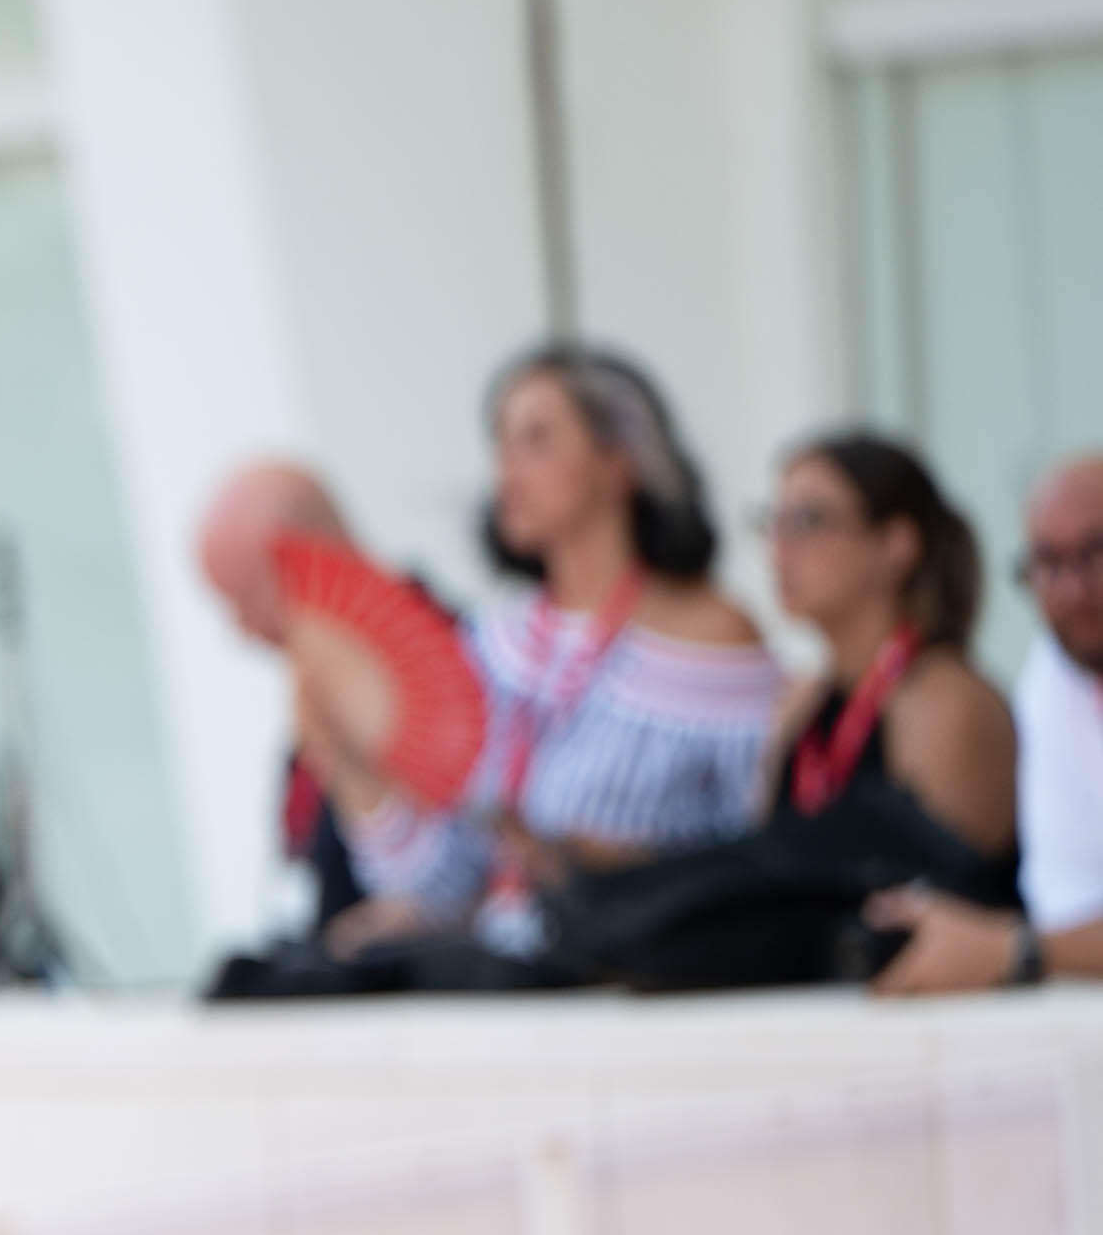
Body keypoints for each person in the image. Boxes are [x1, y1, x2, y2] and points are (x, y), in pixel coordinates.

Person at [318, 343, 782, 968]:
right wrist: (348, 756)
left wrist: (593, 859)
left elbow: (763, 857)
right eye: (501, 445)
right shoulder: (489, 642)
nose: (507, 473)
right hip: (514, 980)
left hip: (643, 976)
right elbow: (441, 880)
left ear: (621, 462)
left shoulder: (713, 635)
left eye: (537, 442)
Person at [874, 452, 1103, 992]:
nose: (1073, 590)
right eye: (1048, 563)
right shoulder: (1057, 674)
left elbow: (1052, 939)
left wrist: (1014, 948)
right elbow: (1068, 905)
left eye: (1096, 554)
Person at [192, 457, 444, 931]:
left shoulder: (456, 671)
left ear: (309, 565)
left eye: (246, 599)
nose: (244, 632)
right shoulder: (320, 702)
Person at [758, 434, 1015, 863]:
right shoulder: (802, 701)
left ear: (897, 544)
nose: (779, 551)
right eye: (774, 523)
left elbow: (948, 900)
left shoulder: (945, 703)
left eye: (808, 522)